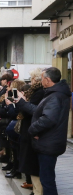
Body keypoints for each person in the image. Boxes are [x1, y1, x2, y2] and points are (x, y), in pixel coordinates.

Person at [16, 67, 71, 195]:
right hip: (50, 141)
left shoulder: (55, 96)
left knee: (47, 180)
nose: (40, 82)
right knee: (47, 178)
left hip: (49, 143)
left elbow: (48, 119)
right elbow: (39, 111)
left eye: (42, 79)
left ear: (47, 80)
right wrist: (23, 103)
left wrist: (32, 130)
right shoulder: (55, 94)